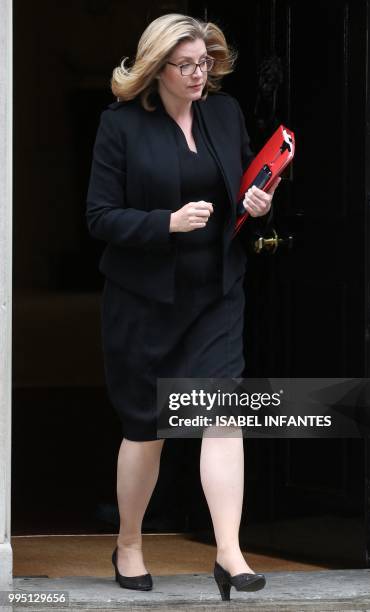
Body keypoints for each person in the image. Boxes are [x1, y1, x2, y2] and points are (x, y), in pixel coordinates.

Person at [86, 12, 281, 602]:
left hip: (215, 295)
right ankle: (129, 543)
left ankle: (229, 553)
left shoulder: (223, 113)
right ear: (156, 67)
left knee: (222, 417)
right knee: (148, 430)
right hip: (145, 302)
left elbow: (243, 185)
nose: (200, 75)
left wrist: (257, 201)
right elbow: (98, 217)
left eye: (205, 63)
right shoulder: (120, 126)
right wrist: (164, 223)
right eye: (187, 65)